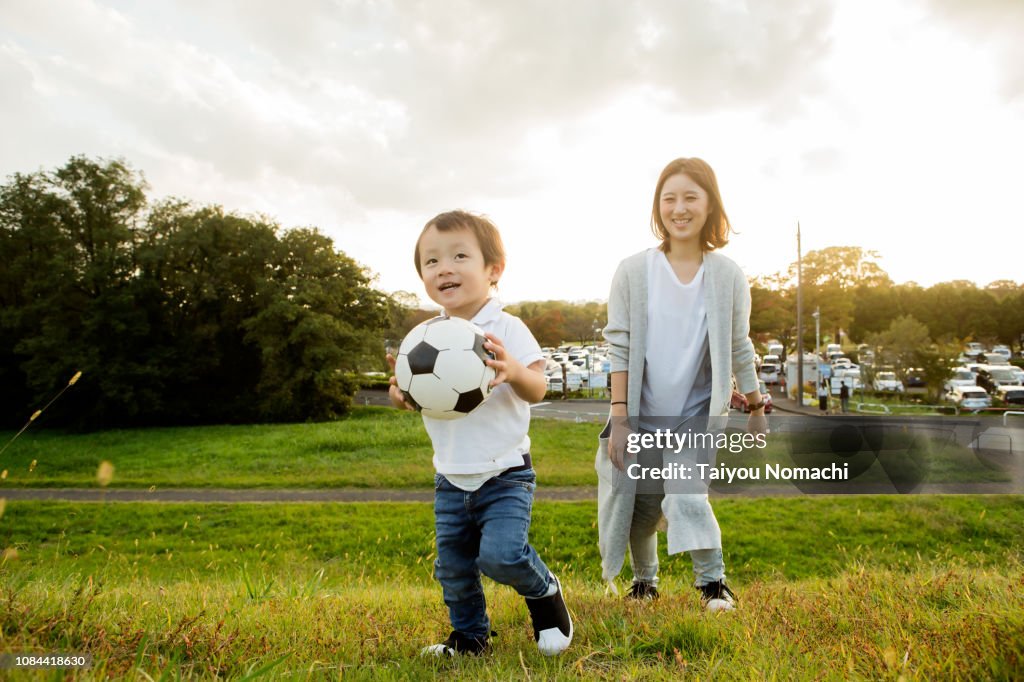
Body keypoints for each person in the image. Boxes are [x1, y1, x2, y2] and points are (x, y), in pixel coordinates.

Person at [386, 210, 572, 657]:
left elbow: (539, 387)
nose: (443, 268)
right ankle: (470, 638)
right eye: (431, 262)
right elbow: (410, 390)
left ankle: (545, 594)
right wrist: (400, 393)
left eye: (459, 256)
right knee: (453, 568)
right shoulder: (426, 336)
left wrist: (512, 372)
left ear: (494, 270)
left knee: (502, 556)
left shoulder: (506, 328)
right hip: (450, 476)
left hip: (505, 474)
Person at [596, 157, 766, 611]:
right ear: (659, 208)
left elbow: (738, 344)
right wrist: (620, 419)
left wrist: (755, 405)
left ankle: (713, 584)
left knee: (687, 494)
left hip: (694, 413)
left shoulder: (727, 274)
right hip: (641, 412)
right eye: (669, 198)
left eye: (691, 196)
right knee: (641, 507)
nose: (679, 207)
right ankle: (644, 583)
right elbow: (619, 347)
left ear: (710, 205)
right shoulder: (633, 271)